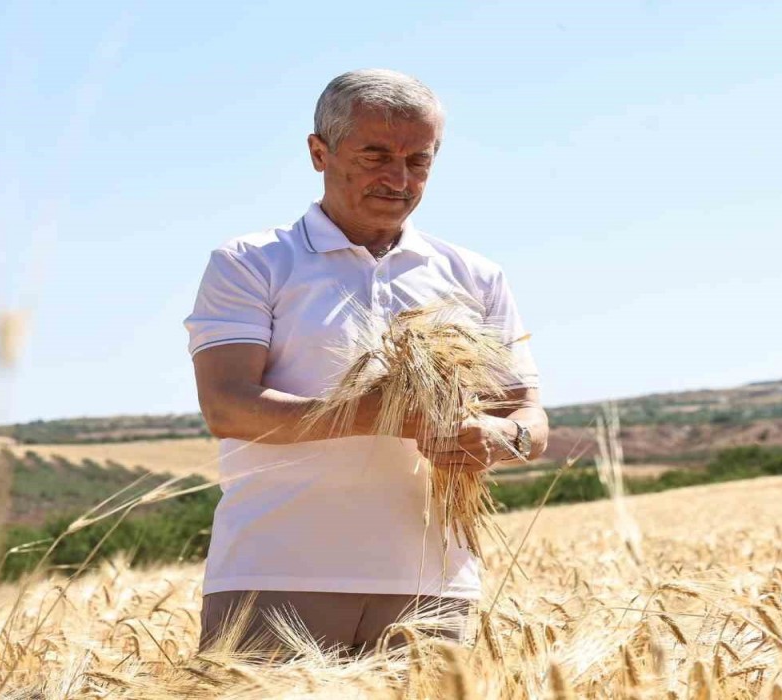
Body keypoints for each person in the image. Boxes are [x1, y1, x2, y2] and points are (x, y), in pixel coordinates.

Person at [185, 68, 547, 656]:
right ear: (318, 153)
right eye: (376, 154)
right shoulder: (251, 263)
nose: (398, 178)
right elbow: (227, 407)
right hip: (273, 579)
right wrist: (385, 415)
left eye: (419, 160)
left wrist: (499, 437)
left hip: (435, 586)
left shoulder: (475, 276)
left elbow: (529, 417)